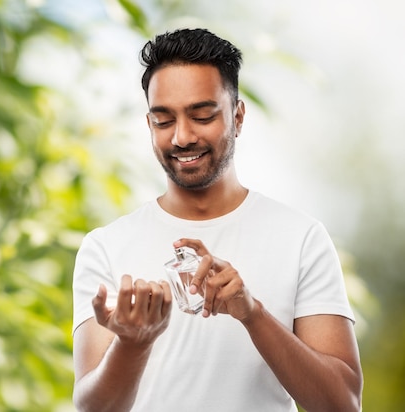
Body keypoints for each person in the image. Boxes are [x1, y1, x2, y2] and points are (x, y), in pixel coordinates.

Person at [71, 28, 363, 412]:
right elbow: (92, 409)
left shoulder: (301, 238)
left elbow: (342, 404)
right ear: (149, 126)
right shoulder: (105, 247)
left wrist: (252, 314)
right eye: (163, 120)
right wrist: (133, 343)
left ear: (238, 117)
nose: (182, 137)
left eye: (202, 115)